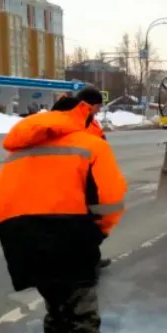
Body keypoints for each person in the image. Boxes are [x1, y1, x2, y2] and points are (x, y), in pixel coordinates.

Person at [0, 90, 127, 333]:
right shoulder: (90, 145)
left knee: (57, 307)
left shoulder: (19, 148)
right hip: (68, 234)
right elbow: (111, 200)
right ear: (86, 113)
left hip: (18, 238)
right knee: (84, 318)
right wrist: (95, 235)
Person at [51, 91, 114, 270]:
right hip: (78, 176)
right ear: (90, 104)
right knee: (84, 221)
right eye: (98, 106)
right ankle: (84, 262)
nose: (99, 110)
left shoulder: (87, 119)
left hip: (84, 173)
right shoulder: (75, 119)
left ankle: (90, 258)